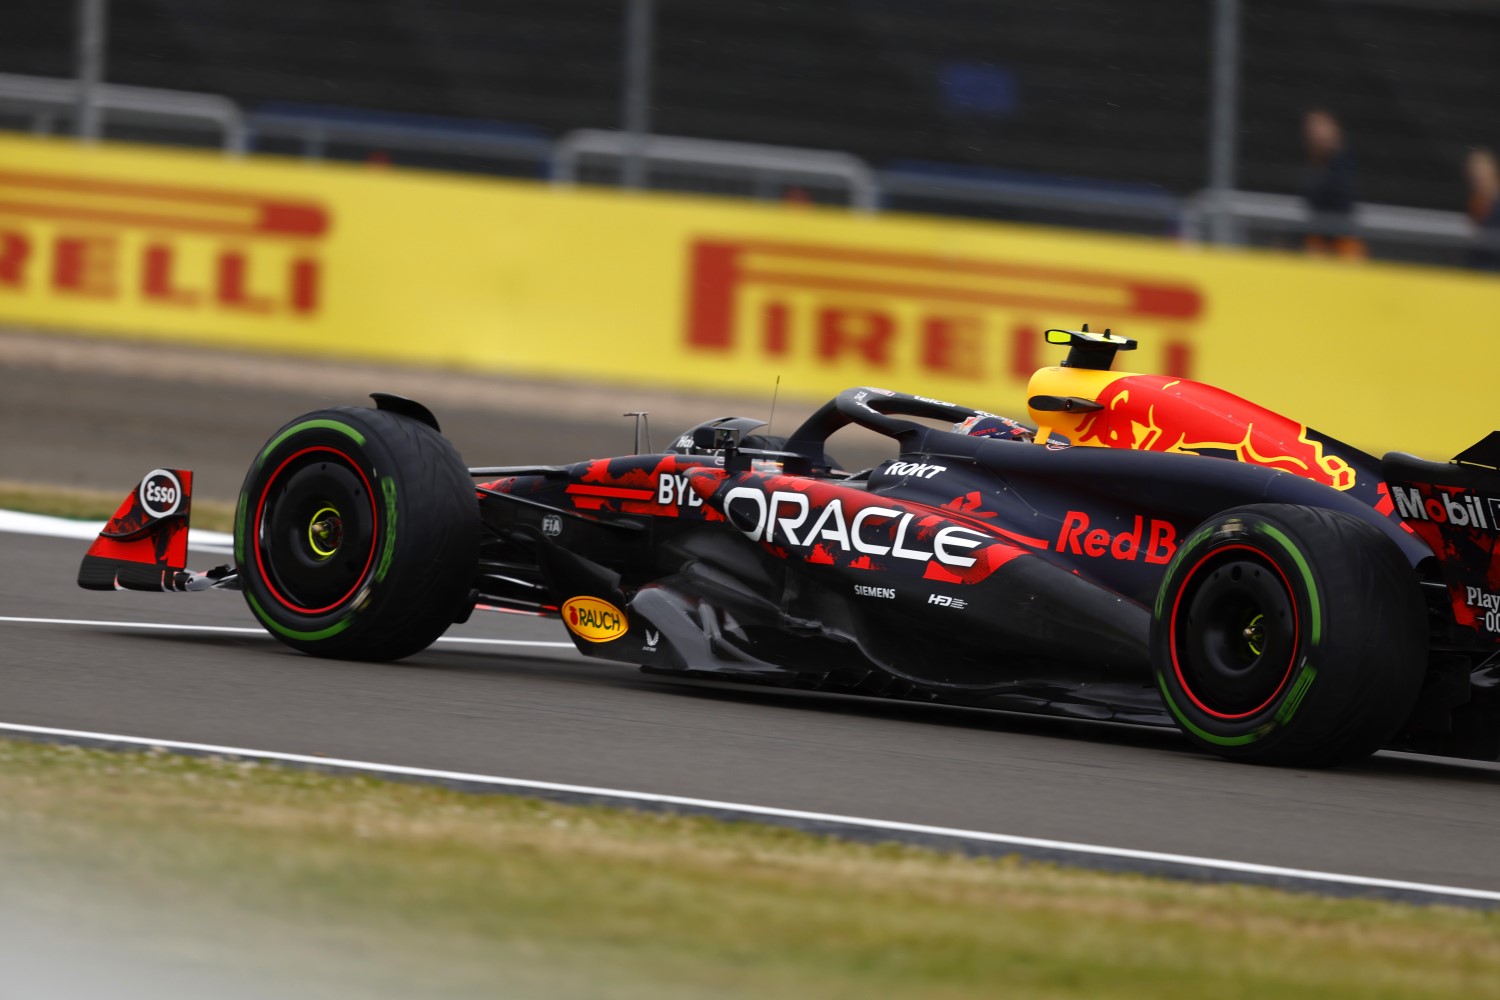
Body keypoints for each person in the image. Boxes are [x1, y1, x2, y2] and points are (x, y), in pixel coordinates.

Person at [1301, 109, 1366, 259]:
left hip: (1342, 240)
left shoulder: (1343, 162)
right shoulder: (1315, 163)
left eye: (1320, 126)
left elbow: (1340, 199)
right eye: (1311, 129)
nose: (1315, 133)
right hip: (1320, 239)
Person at [1465, 148, 1500, 271]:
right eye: (1475, 173)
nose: (1479, 177)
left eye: (1482, 172)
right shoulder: (1475, 201)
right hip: (1478, 269)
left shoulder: (1494, 201)